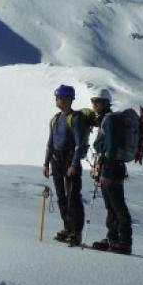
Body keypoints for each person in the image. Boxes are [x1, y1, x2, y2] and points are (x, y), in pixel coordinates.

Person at [42, 84, 90, 246]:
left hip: (70, 161)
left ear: (69, 99)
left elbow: (79, 144)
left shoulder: (75, 119)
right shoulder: (55, 119)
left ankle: (76, 232)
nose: (57, 100)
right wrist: (46, 163)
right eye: (57, 97)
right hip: (57, 161)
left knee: (73, 198)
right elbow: (50, 142)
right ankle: (67, 228)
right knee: (62, 197)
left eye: (61, 97)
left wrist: (75, 164)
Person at [89, 88, 133, 254]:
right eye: (93, 100)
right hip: (110, 166)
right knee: (111, 206)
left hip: (112, 168)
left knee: (118, 205)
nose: (94, 104)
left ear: (106, 103)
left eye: (97, 101)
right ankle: (112, 238)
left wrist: (105, 169)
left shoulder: (110, 120)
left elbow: (111, 146)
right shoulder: (106, 119)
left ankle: (125, 241)